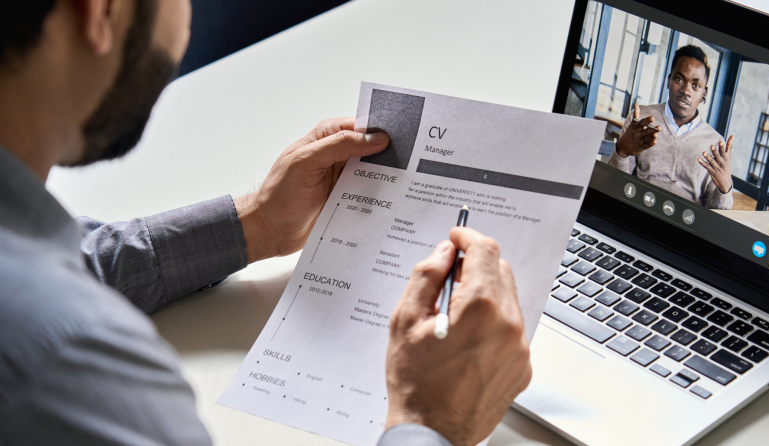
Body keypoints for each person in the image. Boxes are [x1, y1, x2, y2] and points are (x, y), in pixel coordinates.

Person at [0, 1, 532, 445]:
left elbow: (75, 260)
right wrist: (429, 422)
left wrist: (255, 224)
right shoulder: (70, 368)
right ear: (101, 12)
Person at [608, 45, 735, 210]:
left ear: (704, 93)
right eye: (679, 79)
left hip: (685, 225)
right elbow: (615, 184)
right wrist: (622, 151)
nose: (686, 91)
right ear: (669, 80)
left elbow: (714, 216)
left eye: (696, 85)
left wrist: (725, 189)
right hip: (637, 211)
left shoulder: (714, 142)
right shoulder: (640, 119)